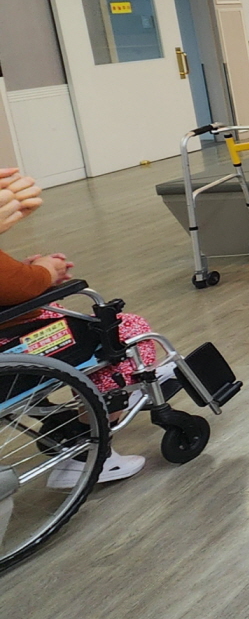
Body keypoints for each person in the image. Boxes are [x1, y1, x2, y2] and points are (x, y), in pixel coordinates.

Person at [0, 168, 159, 490]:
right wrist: (44, 272)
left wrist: (28, 277)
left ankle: (70, 411)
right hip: (10, 359)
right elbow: (16, 284)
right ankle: (88, 454)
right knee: (121, 333)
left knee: (53, 309)